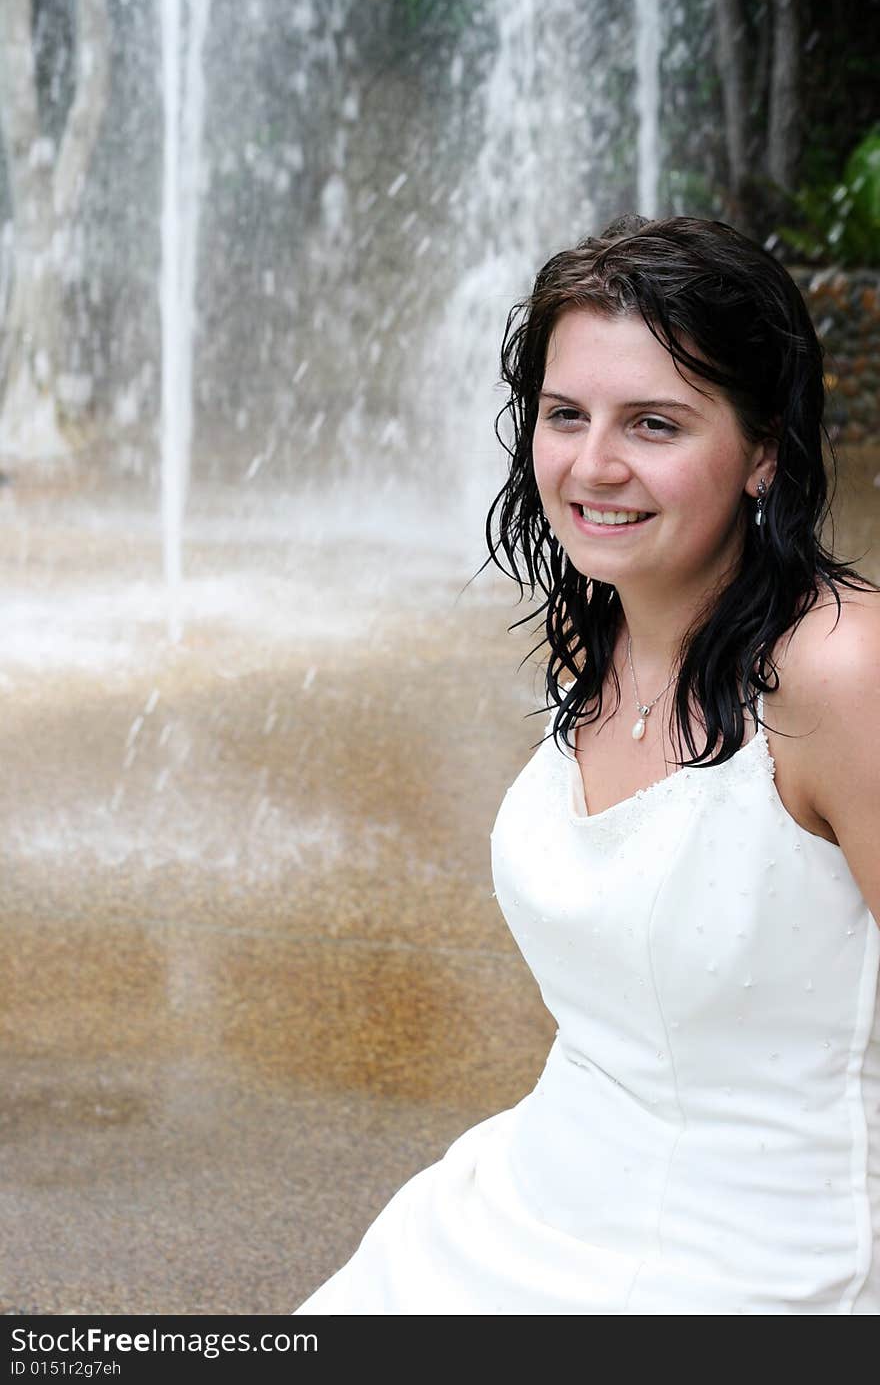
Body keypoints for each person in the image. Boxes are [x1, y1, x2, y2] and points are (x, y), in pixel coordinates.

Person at [294, 215, 880, 1315]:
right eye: (566, 415)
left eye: (654, 423)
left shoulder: (841, 673)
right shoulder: (601, 628)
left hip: (753, 1265)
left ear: (762, 452)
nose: (592, 465)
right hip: (531, 1198)